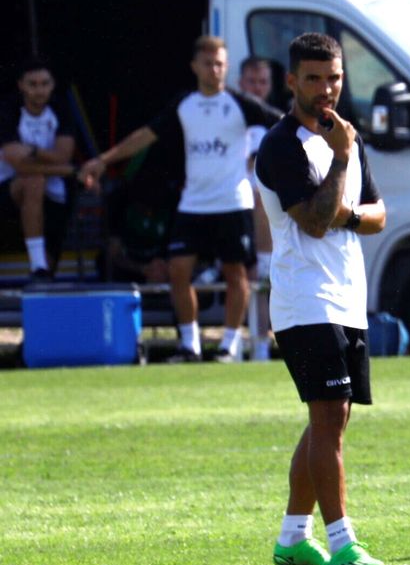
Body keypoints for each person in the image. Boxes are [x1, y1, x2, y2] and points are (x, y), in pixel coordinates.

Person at [252, 32, 386, 565]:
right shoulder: (282, 144)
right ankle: (342, 541)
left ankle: (291, 538)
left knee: (331, 419)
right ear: (292, 82)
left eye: (333, 78)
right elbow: (311, 219)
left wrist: (347, 208)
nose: (325, 89)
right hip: (304, 299)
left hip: (347, 297)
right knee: (328, 417)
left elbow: (377, 215)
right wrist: (340, 161)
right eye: (313, 78)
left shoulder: (347, 141)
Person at [80, 36, 281, 363]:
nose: (214, 69)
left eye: (219, 63)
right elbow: (145, 135)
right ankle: (190, 344)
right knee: (178, 271)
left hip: (232, 202)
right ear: (194, 67)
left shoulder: (241, 103)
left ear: (226, 66)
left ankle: (229, 346)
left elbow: (284, 123)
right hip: (194, 203)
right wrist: (103, 160)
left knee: (235, 274)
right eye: (207, 63)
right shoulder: (184, 104)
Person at [0, 58, 77, 281]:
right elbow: (15, 161)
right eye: (32, 84)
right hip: (8, 187)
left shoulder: (61, 109)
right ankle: (38, 264)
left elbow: (64, 155)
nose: (39, 90)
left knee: (38, 181)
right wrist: (67, 170)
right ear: (21, 85)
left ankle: (43, 273)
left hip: (53, 191)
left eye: (45, 83)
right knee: (33, 180)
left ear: (52, 85)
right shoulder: (8, 109)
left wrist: (31, 150)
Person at [241, 55, 277, 361]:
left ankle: (262, 346)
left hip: (265, 216)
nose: (257, 87)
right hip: (232, 210)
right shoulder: (232, 116)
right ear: (240, 83)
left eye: (263, 82)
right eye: (251, 81)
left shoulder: (276, 122)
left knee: (264, 281)